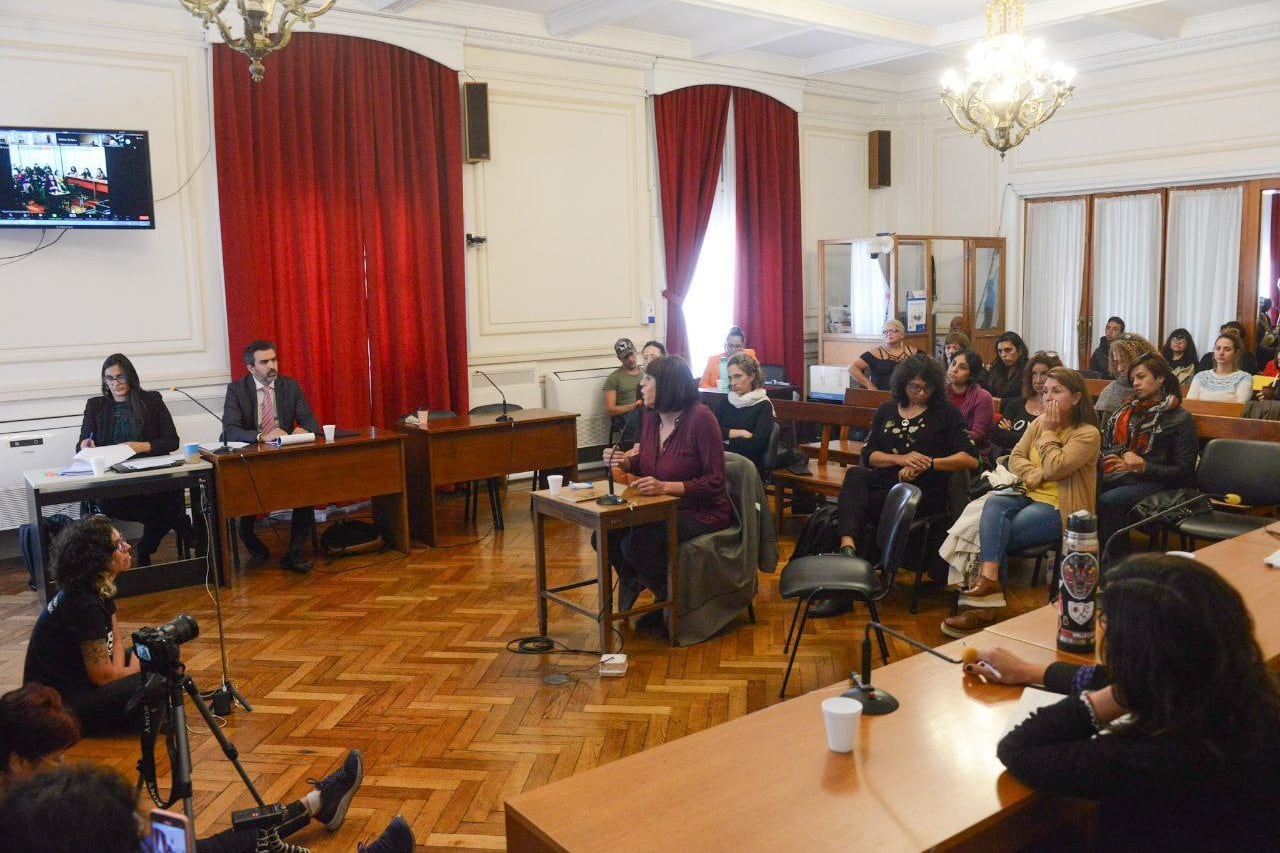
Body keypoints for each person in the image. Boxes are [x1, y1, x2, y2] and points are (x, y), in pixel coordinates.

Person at [965, 555, 1280, 851]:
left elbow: (1018, 749)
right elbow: (1130, 678)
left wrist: (1120, 692)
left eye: (1105, 620)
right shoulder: (1242, 693)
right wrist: (1031, 671)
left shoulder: (1154, 757)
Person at [0, 684, 411, 853]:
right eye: (56, 760)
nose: (64, 767)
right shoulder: (23, 821)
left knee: (237, 841)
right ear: (19, 762)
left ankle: (317, 802)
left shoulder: (31, 802)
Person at [942, 368, 1100, 637]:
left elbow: (1056, 466)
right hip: (1025, 492)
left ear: (1075, 397)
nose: (1048, 397)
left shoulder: (1086, 434)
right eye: (1046, 391)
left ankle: (983, 609)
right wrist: (1037, 475)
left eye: (1056, 391)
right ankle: (990, 580)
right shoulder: (1038, 424)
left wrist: (1049, 434)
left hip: (1059, 506)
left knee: (993, 533)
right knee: (992, 507)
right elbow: (1015, 457)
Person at [820, 355, 979, 618]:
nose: (920, 393)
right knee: (857, 475)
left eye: (927, 388)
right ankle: (848, 550)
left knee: (851, 511)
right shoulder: (887, 410)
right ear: (902, 384)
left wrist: (930, 463)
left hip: (923, 491)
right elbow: (869, 454)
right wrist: (899, 458)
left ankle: (844, 576)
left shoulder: (945, 414)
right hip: (886, 482)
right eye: (914, 387)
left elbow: (970, 458)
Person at [602, 356, 732, 624]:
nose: (642, 386)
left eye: (648, 380)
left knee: (637, 544)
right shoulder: (651, 417)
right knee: (603, 535)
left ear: (668, 386)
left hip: (700, 511)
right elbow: (649, 459)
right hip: (658, 506)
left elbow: (716, 481)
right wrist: (625, 461)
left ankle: (675, 602)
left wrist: (666, 487)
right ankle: (639, 582)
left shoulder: (701, 419)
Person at [22, 516, 143, 735]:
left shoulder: (99, 586)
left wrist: (125, 669)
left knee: (157, 651)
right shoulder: (84, 604)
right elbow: (102, 677)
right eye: (117, 545)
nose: (127, 547)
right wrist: (135, 669)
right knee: (152, 677)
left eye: (122, 539)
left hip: (83, 682)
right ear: (97, 558)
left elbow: (114, 640)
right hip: (58, 706)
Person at [77, 354, 192, 567]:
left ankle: (146, 547)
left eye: (120, 377)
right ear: (104, 381)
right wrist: (86, 445)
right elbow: (81, 445)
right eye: (110, 378)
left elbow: (171, 441)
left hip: (152, 478)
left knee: (170, 500)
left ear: (131, 377)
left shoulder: (151, 401)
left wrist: (140, 446)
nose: (116, 383)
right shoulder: (96, 406)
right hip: (114, 484)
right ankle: (181, 529)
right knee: (171, 511)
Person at [221, 340, 320, 573]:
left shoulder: (290, 386)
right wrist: (260, 436)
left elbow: (311, 421)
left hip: (284, 455)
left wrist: (304, 429)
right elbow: (229, 429)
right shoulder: (237, 390)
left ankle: (294, 553)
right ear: (250, 368)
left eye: (273, 360)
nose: (271, 366)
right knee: (245, 493)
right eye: (264, 362)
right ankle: (247, 535)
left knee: (306, 488)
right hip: (251, 457)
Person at [1097, 352, 1197, 556]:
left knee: (1108, 501)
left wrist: (1143, 466)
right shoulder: (1127, 412)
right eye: (1133, 379)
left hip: (1162, 482)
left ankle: (1116, 566)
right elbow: (1108, 444)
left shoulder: (1180, 418)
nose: (1135, 383)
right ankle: (1086, 558)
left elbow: (1184, 471)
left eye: (1141, 377)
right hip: (1127, 475)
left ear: (1160, 378)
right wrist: (1125, 454)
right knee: (1084, 487)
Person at [989, 351, 1062, 463]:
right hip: (1010, 462)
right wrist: (1033, 438)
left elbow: (1052, 441)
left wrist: (1011, 433)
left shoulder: (1058, 408)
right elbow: (996, 435)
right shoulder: (1016, 404)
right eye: (1034, 374)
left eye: (1044, 374)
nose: (1038, 380)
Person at [712, 353, 774, 472]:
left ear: (751, 376)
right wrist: (740, 433)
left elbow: (755, 446)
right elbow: (710, 432)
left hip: (747, 465)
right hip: (721, 459)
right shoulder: (726, 402)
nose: (733, 383)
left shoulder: (763, 405)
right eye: (730, 378)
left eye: (738, 376)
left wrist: (725, 439)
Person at [1094, 333, 1158, 424]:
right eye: (1117, 362)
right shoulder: (1109, 396)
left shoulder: (1160, 387)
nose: (1120, 368)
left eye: (1125, 362)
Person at [945, 349, 994, 460]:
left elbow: (978, 436)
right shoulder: (939, 393)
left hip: (972, 454)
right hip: (941, 450)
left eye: (962, 367)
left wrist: (942, 436)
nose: (954, 369)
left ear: (971, 375)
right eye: (953, 364)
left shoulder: (983, 397)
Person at [848, 319, 920, 391]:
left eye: (893, 331)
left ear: (902, 334)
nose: (889, 333)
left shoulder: (914, 353)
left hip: (908, 396)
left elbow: (928, 367)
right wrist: (870, 386)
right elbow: (852, 368)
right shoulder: (875, 353)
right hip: (881, 396)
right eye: (885, 332)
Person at [1187, 329, 1253, 402]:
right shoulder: (1200, 376)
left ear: (1236, 353)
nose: (1221, 353)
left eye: (1227, 349)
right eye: (1217, 348)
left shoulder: (1244, 378)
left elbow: (1237, 407)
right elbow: (1190, 405)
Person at [604, 338, 644, 447]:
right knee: (639, 417)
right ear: (619, 359)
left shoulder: (645, 373)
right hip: (628, 415)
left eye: (631, 354)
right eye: (626, 357)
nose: (631, 359)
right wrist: (633, 406)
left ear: (635, 351)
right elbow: (610, 410)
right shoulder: (614, 378)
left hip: (646, 409)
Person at [982, 332, 1029, 402]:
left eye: (1008, 350)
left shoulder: (1029, 368)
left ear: (1020, 350)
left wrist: (1001, 401)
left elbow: (1027, 398)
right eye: (1000, 351)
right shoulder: (995, 368)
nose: (1003, 355)